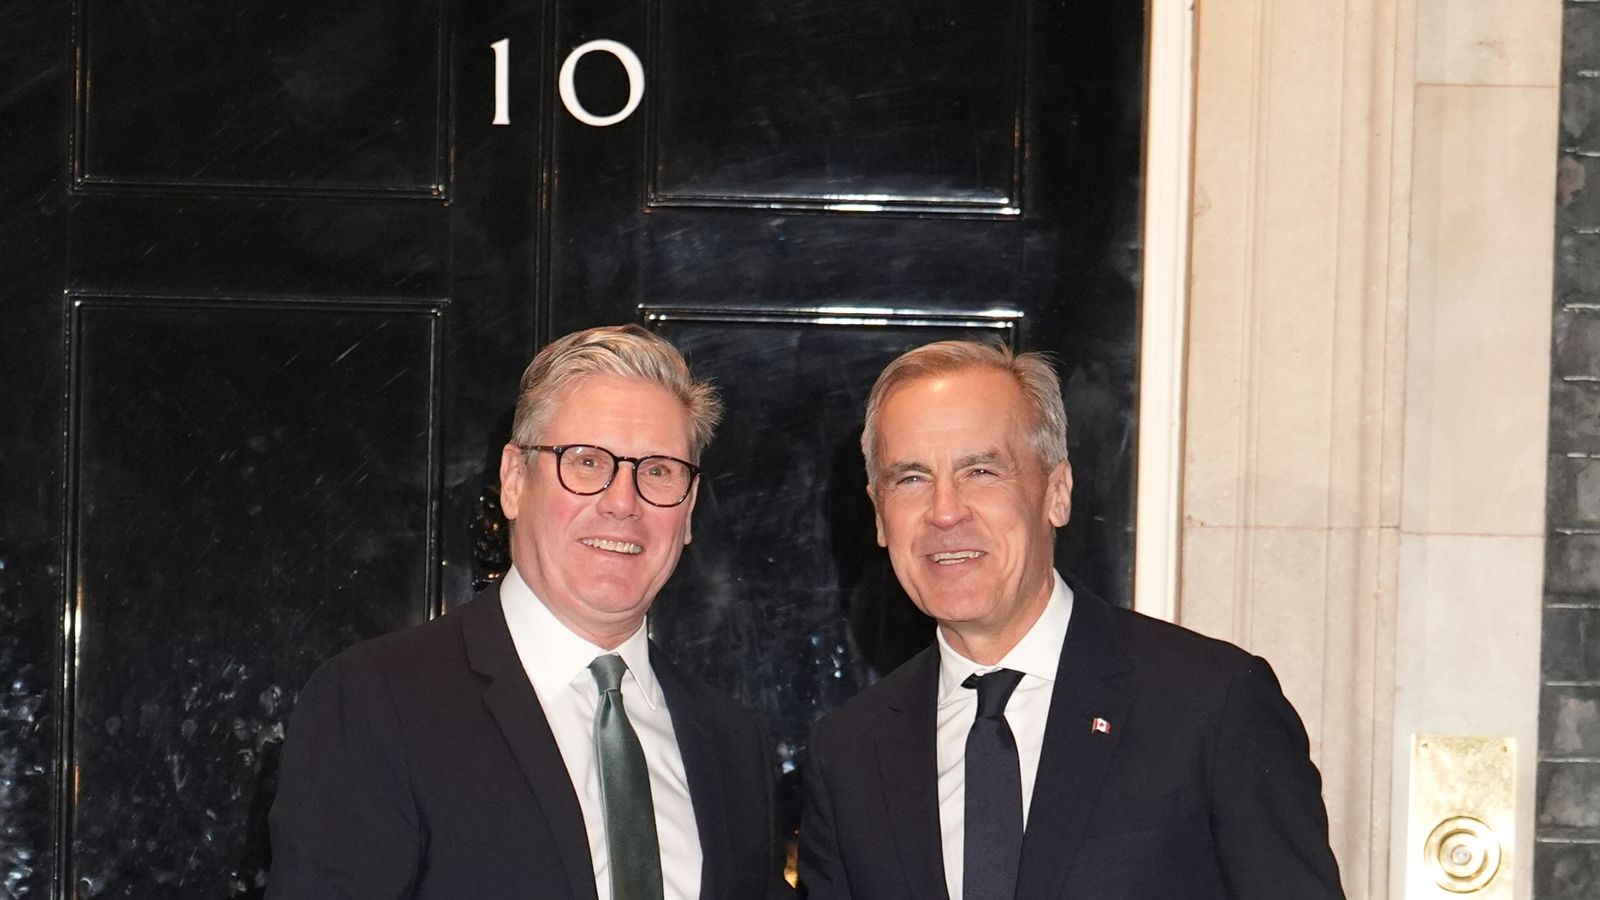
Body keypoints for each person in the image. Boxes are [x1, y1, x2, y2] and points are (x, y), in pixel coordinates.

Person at [797, 340, 1344, 900]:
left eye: (981, 471)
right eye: (910, 479)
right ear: (879, 516)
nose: (944, 511)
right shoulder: (848, 755)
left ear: (1056, 494)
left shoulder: (1212, 704)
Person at [268, 325, 790, 899]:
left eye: (659, 471)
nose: (623, 502)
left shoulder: (734, 746)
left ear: (687, 511)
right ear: (514, 480)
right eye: (587, 462)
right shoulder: (376, 702)